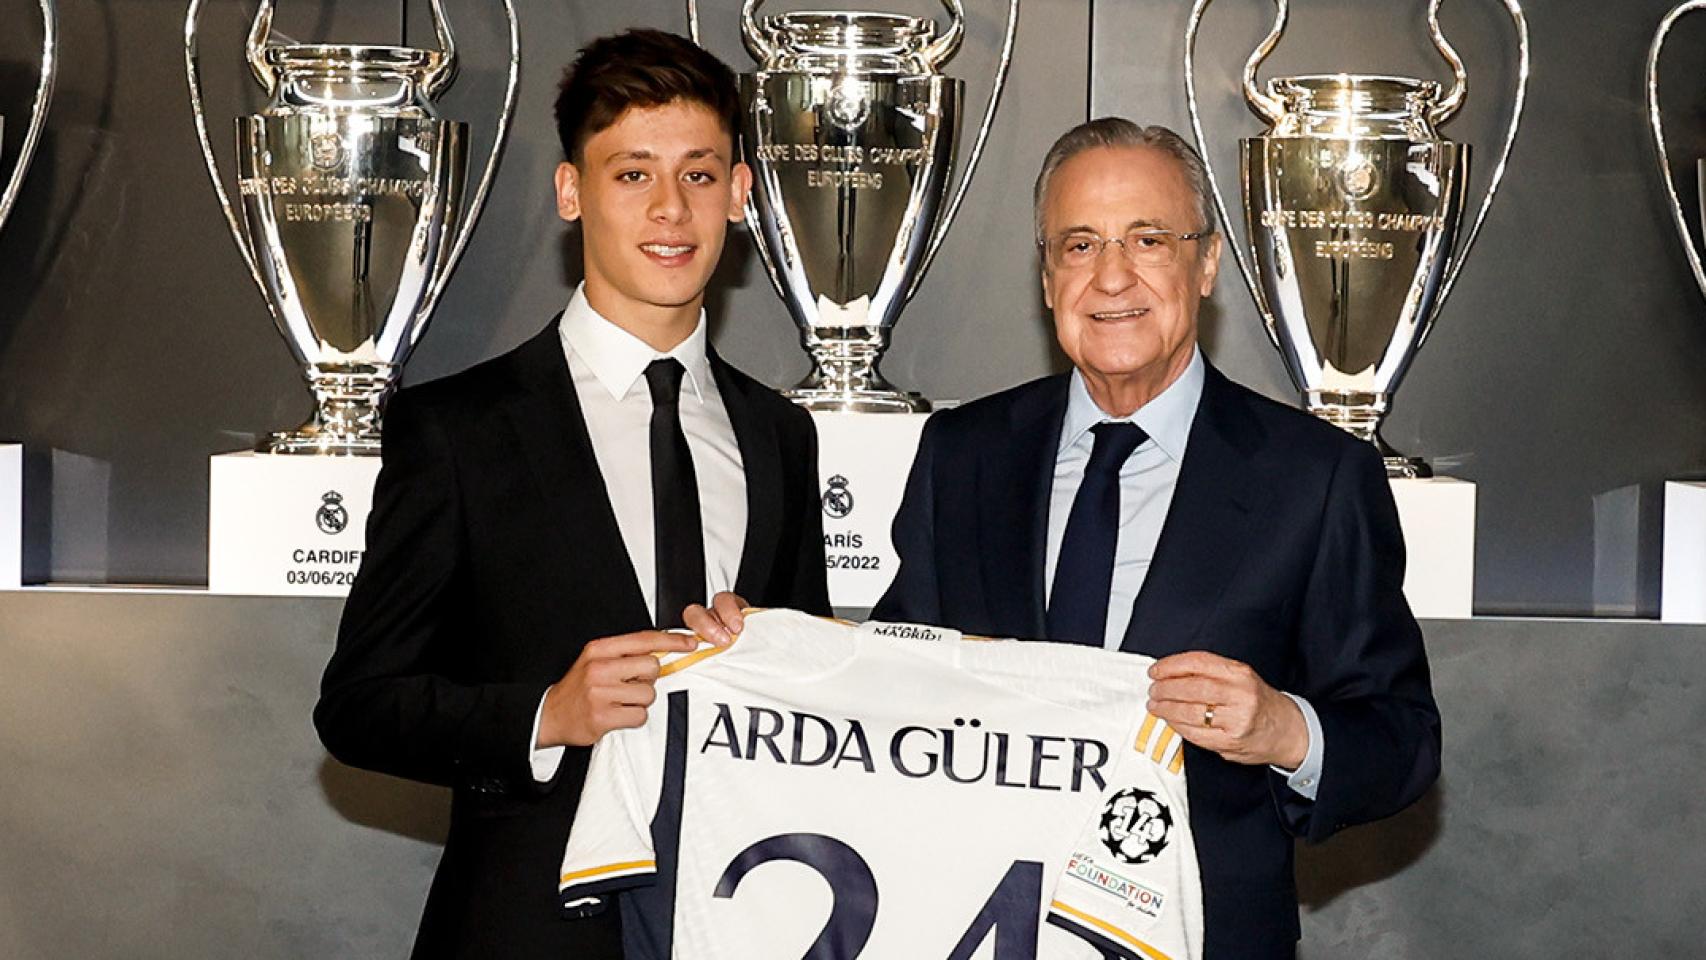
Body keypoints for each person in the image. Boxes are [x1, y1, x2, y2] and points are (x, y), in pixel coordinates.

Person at [691, 118, 1439, 959]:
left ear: (1207, 263)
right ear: (1047, 278)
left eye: (1148, 239)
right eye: (1078, 245)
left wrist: (1285, 731)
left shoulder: (1318, 477)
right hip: (972, 931)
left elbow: (1402, 740)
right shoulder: (962, 455)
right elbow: (900, 679)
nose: (1111, 275)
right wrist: (760, 659)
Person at [315, 29, 830, 960]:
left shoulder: (780, 436)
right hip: (525, 932)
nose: (671, 209)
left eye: (701, 175)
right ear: (570, 192)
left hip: (740, 925)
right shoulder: (461, 428)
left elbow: (813, 712)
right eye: (632, 173)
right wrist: (547, 713)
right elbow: (360, 704)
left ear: (743, 195)